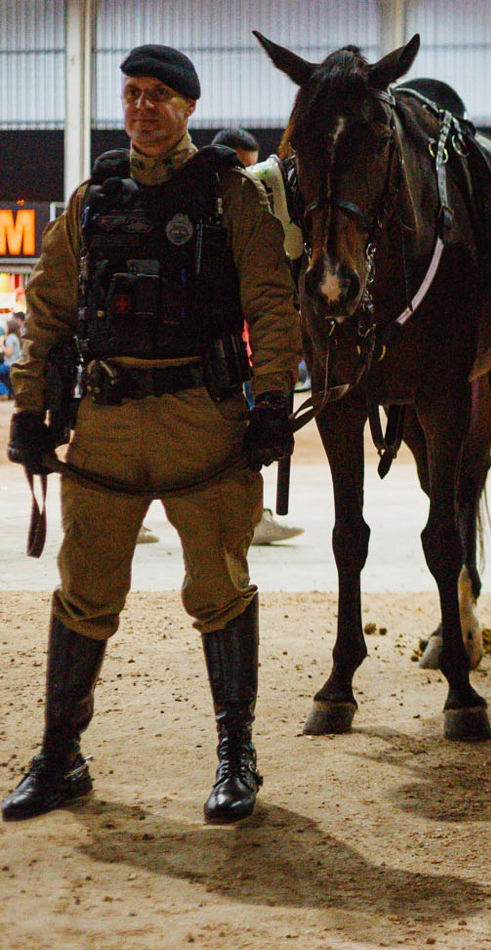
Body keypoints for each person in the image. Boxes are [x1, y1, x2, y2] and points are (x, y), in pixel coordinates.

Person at [5, 45, 300, 823]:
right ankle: (60, 755)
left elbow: (272, 303)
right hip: (105, 419)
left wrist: (273, 399)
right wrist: (30, 408)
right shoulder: (93, 198)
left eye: (158, 95)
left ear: (188, 107)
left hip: (201, 414)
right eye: (132, 93)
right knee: (85, 586)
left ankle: (236, 756)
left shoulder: (230, 196)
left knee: (219, 585)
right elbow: (48, 308)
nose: (142, 107)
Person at [213, 127, 304, 548]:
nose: (250, 178)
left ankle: (253, 512)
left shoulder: (255, 209)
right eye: (242, 167)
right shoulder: (211, 206)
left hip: (248, 343)